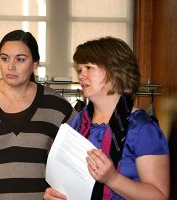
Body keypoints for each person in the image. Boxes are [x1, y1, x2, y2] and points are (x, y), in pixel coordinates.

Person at [43, 37, 170, 200]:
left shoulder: (143, 128)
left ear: (115, 70)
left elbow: (159, 196)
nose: (81, 75)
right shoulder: (79, 122)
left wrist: (113, 179)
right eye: (80, 70)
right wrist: (57, 194)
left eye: (88, 67)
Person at [0, 30, 75, 199]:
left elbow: (78, 160)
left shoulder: (56, 105)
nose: (10, 66)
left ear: (35, 64)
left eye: (20, 59)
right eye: (4, 58)